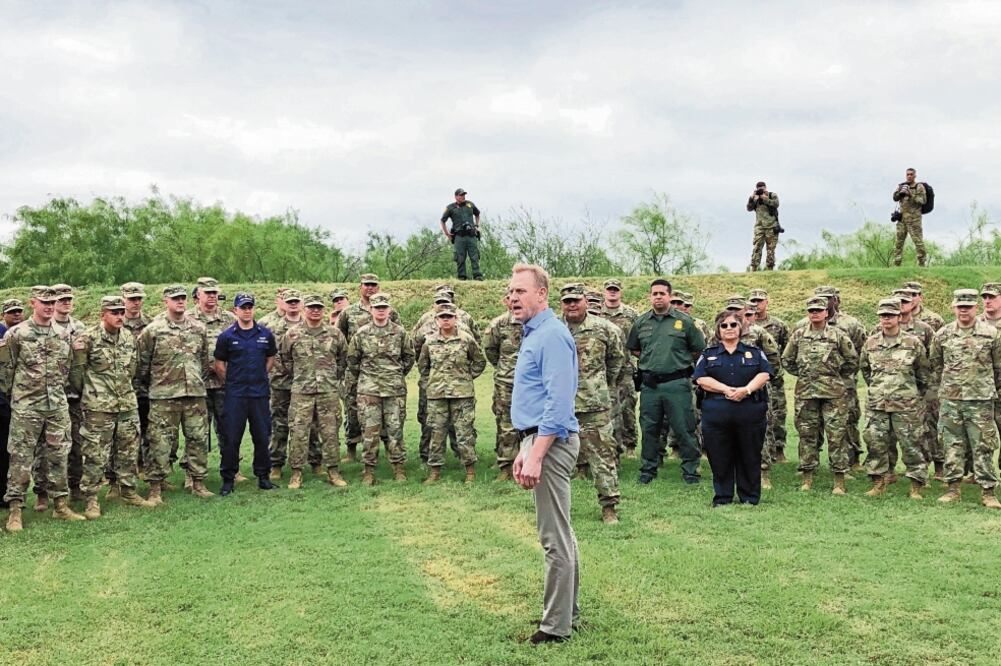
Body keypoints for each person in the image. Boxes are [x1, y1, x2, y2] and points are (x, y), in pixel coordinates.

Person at [508, 263, 581, 645]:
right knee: (562, 533)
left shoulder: (550, 335)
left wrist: (535, 454)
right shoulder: (536, 333)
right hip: (538, 438)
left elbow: (558, 402)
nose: (513, 298)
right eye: (510, 291)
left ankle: (555, 629)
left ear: (542, 294)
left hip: (549, 442)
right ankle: (568, 611)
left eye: (521, 291)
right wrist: (527, 445)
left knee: (554, 538)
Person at [2, 286, 86, 530]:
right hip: (27, 407)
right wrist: (19, 398)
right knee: (20, 458)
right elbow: (7, 373)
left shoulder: (63, 334)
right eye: (44, 303)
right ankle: (15, 510)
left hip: (57, 405)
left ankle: (60, 505)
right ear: (33, 303)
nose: (49, 307)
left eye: (53, 303)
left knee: (59, 455)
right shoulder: (17, 334)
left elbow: (69, 370)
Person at [71, 296, 155, 517]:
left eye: (121, 312)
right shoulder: (87, 338)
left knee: (128, 451)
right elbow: (77, 375)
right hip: (98, 407)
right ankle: (91, 499)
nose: (120, 316)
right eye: (114, 312)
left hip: (126, 404)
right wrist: (93, 393)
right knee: (95, 455)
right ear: (103, 315)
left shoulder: (128, 337)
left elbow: (133, 369)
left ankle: (128, 491)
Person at [136, 285, 215, 502]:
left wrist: (197, 382)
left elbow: (203, 362)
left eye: (182, 298)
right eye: (175, 298)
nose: (180, 301)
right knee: (159, 442)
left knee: (198, 439)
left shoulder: (199, 328)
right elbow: (142, 366)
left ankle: (197, 482)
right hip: (163, 396)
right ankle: (155, 488)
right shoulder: (153, 330)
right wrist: (153, 386)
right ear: (166, 301)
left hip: (194, 394)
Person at [627, 279, 706, 485]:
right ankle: (648, 469)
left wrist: (678, 361)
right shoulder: (641, 322)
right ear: (650, 296)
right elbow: (634, 348)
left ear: (669, 296)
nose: (658, 297)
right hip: (650, 386)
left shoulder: (685, 322)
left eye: (662, 293)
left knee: (684, 428)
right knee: (649, 428)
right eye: (655, 293)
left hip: (677, 383)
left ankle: (691, 471)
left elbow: (697, 348)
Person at [558, 283, 625, 524]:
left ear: (586, 301)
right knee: (554, 460)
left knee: (602, 456)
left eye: (576, 300)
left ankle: (609, 507)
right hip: (558, 405)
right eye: (567, 301)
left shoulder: (605, 328)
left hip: (593, 406)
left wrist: (600, 385)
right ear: (561, 304)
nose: (572, 305)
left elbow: (617, 360)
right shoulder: (553, 330)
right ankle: (556, 510)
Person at [694, 310, 774, 506]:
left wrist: (745, 390)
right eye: (724, 325)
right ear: (718, 330)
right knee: (719, 456)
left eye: (733, 325)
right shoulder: (708, 354)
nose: (729, 329)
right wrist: (726, 390)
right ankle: (723, 497)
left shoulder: (755, 352)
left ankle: (749, 497)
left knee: (749, 454)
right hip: (717, 414)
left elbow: (765, 374)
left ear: (740, 328)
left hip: (749, 412)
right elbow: (701, 378)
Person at [930, 289, 1001, 509]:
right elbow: (936, 364)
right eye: (960, 307)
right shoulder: (943, 334)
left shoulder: (991, 334)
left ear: (975, 308)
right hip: (951, 401)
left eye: (968, 307)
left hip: (980, 401)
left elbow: (998, 366)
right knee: (952, 445)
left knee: (983, 446)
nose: (964, 311)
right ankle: (953, 488)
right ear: (953, 308)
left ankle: (988, 491)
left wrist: (986, 387)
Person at [782, 296, 859, 494]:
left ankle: (839, 481)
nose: (814, 313)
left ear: (826, 313)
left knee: (836, 436)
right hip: (806, 392)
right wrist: (807, 375)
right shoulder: (798, 335)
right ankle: (807, 478)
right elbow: (787, 360)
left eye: (818, 310)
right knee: (807, 435)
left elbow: (852, 360)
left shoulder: (838, 335)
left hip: (833, 394)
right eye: (811, 310)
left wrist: (833, 377)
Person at [859, 299, 931, 499]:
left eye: (890, 315)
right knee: (876, 443)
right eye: (883, 316)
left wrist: (910, 392)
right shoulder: (871, 343)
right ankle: (878, 483)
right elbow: (865, 369)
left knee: (912, 444)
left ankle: (916, 486)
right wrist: (879, 388)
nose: (886, 319)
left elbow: (923, 373)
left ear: (900, 317)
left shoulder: (912, 343)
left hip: (906, 405)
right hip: (877, 404)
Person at [280, 294, 349, 489]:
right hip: (302, 391)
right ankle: (296, 473)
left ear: (324, 310)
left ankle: (333, 471)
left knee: (330, 432)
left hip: (328, 391)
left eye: (319, 307)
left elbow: (344, 359)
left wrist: (331, 377)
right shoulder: (292, 334)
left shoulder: (335, 334)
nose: (315, 310)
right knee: (299, 432)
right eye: (311, 307)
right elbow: (285, 360)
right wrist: (300, 376)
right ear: (304, 309)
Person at [346, 293, 415, 485]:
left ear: (389, 309)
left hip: (394, 390)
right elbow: (353, 360)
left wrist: (395, 375)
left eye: (384, 307)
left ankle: (398, 468)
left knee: (395, 431)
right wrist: (369, 377)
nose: (381, 310)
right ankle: (368, 471)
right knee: (370, 432)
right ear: (371, 309)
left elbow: (409, 358)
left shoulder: (400, 333)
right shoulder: (361, 333)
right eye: (377, 307)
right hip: (369, 390)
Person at [213, 292, 279, 495]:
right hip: (236, 394)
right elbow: (219, 364)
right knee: (232, 438)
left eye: (250, 306)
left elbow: (270, 359)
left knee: (261, 436)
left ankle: (263, 476)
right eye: (243, 307)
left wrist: (259, 376)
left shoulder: (265, 334)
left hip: (259, 393)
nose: (247, 310)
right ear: (235, 310)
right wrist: (233, 381)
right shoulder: (227, 336)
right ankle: (228, 479)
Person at [417, 303, 485, 484]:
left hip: (462, 395)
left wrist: (465, 378)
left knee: (464, 433)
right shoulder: (429, 342)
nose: (446, 320)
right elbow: (423, 366)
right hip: (437, 395)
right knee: (436, 433)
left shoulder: (466, 339)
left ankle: (470, 472)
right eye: (442, 317)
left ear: (455, 319)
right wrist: (434, 381)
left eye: (449, 316)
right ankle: (434, 472)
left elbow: (479, 361)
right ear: (436, 320)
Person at [336, 274, 402, 461]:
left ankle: (389, 448)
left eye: (373, 285)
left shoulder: (391, 312)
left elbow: (400, 340)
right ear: (360, 287)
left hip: (385, 372)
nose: (370, 288)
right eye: (367, 285)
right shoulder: (348, 312)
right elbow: (339, 340)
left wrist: (395, 370)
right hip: (355, 370)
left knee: (384, 411)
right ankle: (351, 449)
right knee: (352, 409)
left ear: (378, 287)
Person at [261, 289, 319, 478]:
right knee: (279, 423)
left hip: (307, 384)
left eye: (296, 301)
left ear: (302, 304)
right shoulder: (270, 326)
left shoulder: (311, 324)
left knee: (311, 424)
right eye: (290, 301)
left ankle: (315, 461)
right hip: (281, 383)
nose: (293, 304)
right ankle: (276, 463)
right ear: (283, 303)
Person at [189, 277, 238, 482]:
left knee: (228, 427)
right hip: (196, 384)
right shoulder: (187, 318)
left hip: (224, 383)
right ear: (197, 295)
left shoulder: (229, 319)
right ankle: (192, 474)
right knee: (196, 431)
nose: (211, 297)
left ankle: (232, 469)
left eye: (214, 293)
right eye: (207, 293)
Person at [48, 284, 86, 502]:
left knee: (77, 445)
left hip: (75, 397)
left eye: (69, 299)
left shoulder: (79, 327)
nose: (66, 302)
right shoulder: (46, 327)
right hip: (52, 395)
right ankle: (45, 492)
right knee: (50, 448)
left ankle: (76, 487)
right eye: (61, 299)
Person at [482, 293, 523, 481]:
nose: (514, 301)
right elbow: (490, 350)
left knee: (533, 424)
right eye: (509, 297)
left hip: (533, 383)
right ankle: (506, 466)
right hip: (506, 383)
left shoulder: (536, 323)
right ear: (505, 301)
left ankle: (530, 462)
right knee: (506, 423)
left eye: (517, 297)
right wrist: (504, 369)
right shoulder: (498, 324)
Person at [598, 279, 639, 458]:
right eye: (609, 290)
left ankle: (630, 445)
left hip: (626, 368)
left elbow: (639, 340)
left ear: (620, 292)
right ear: (604, 292)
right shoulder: (597, 313)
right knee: (606, 408)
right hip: (602, 369)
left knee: (628, 406)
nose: (612, 293)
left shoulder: (631, 314)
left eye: (615, 289)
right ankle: (611, 445)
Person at [750, 289, 790, 463]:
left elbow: (786, 350)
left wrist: (776, 371)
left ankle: (779, 449)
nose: (757, 304)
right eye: (753, 301)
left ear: (767, 302)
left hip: (773, 378)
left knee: (778, 413)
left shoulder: (778, 325)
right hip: (752, 378)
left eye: (760, 300)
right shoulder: (742, 326)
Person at [120, 282, 152, 486]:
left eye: (139, 299)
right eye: (132, 299)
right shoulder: (115, 323)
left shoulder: (151, 323)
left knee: (150, 431)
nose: (136, 303)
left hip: (147, 387)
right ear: (123, 299)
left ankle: (148, 469)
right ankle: (120, 475)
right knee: (124, 434)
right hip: (122, 388)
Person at [0, 299, 23, 508]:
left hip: (4, 400)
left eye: (19, 311)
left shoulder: (3, 333)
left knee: (4, 449)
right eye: (11, 312)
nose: (16, 315)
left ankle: (3, 495)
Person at [439, 188, 483, 281]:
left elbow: (477, 214)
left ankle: (477, 276)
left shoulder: (470, 204)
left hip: (471, 235)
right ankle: (462, 277)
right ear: (456, 196)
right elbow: (443, 220)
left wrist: (477, 225)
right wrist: (447, 233)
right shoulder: (450, 208)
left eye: (464, 195)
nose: (463, 196)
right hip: (459, 236)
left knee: (474, 256)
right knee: (460, 257)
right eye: (461, 195)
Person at [892, 168, 928, 267]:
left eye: (911, 174)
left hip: (914, 219)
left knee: (918, 242)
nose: (909, 176)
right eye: (907, 174)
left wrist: (910, 194)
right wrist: (899, 192)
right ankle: (897, 264)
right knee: (899, 242)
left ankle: (921, 263)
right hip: (902, 219)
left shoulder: (919, 186)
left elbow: (922, 201)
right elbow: (894, 198)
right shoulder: (902, 186)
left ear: (915, 175)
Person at [747, 181, 780, 271]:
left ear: (766, 187)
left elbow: (776, 204)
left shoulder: (772, 195)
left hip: (772, 226)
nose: (761, 190)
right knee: (757, 247)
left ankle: (770, 269)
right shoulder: (755, 198)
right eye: (759, 188)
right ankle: (754, 268)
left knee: (770, 249)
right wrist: (752, 198)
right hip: (760, 227)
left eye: (763, 188)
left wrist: (765, 198)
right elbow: (749, 208)